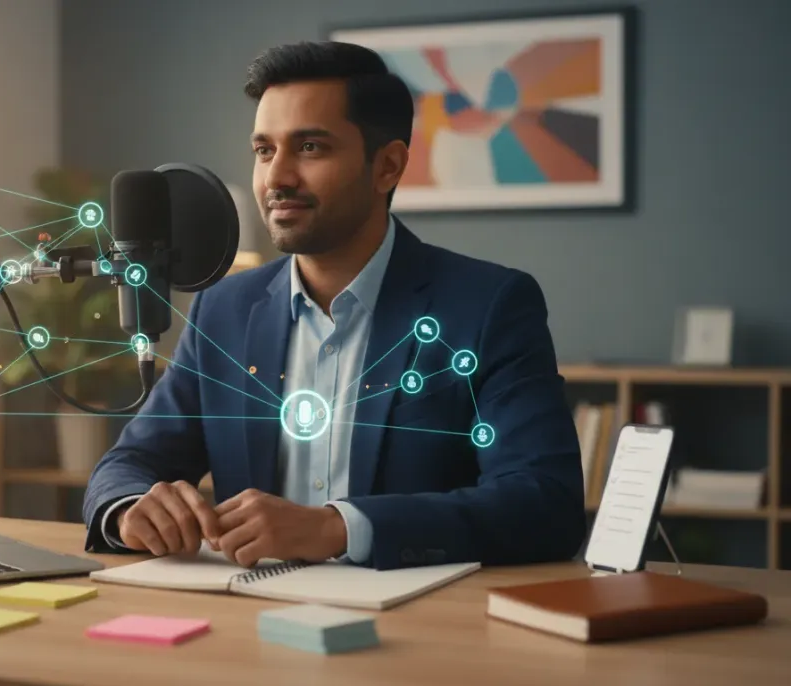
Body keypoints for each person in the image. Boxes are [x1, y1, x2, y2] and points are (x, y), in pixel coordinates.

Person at [81, 40, 586, 571]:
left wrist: (337, 527)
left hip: (420, 631)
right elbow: (130, 463)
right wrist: (131, 507)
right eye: (264, 150)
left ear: (387, 166)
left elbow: (543, 503)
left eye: (310, 148)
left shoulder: (489, 306)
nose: (276, 177)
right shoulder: (222, 310)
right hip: (246, 624)